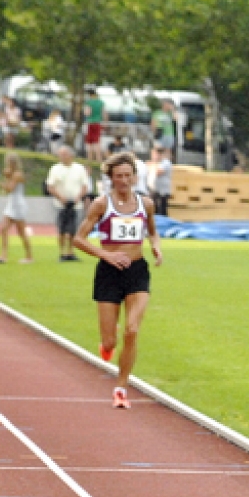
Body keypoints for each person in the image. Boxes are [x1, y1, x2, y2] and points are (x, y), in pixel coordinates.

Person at [73, 151, 163, 410]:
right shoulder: (101, 204)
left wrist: (156, 247)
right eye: (118, 176)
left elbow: (153, 233)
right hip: (109, 273)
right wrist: (105, 254)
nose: (123, 180)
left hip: (137, 271)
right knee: (111, 340)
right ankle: (107, 346)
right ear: (111, 178)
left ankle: (121, 387)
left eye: (127, 175)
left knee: (132, 330)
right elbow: (78, 239)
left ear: (134, 177)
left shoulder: (145, 204)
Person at [46, 146, 89, 261]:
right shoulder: (55, 169)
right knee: (62, 229)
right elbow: (50, 186)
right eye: (60, 154)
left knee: (73, 230)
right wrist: (61, 198)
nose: (62, 157)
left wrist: (77, 198)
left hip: (76, 204)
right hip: (60, 204)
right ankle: (62, 252)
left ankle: (70, 252)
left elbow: (85, 186)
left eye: (64, 154)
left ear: (71, 155)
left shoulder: (79, 168)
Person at [0, 153, 33, 264]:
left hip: (18, 205)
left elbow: (10, 188)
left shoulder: (17, 175)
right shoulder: (12, 174)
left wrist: (0, 184)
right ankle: (3, 255)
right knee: (3, 229)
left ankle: (29, 256)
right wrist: (6, 178)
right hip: (12, 204)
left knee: (21, 232)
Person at [84, 88, 108, 161]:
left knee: (89, 145)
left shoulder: (88, 102)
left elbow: (87, 113)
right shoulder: (101, 102)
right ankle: (99, 162)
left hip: (90, 124)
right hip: (98, 124)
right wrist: (105, 123)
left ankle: (89, 163)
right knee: (97, 143)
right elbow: (104, 114)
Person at [152, 147, 172, 217]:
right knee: (156, 208)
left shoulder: (165, 163)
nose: (153, 157)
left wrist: (153, 165)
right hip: (158, 189)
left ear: (159, 154)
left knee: (162, 209)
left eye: (154, 154)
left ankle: (163, 223)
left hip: (163, 191)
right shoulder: (160, 163)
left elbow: (159, 172)